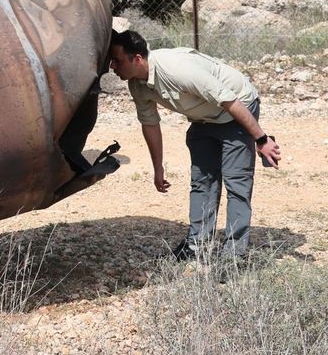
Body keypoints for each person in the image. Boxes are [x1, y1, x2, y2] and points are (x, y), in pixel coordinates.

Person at [107, 28, 282, 260]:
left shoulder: (177, 69)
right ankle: (196, 246)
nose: (112, 67)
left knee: (236, 183)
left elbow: (228, 99)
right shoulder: (137, 85)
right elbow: (150, 124)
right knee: (202, 182)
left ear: (137, 58)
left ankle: (233, 255)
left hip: (236, 109)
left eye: (116, 61)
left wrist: (261, 139)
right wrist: (158, 167)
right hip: (205, 118)